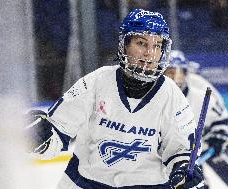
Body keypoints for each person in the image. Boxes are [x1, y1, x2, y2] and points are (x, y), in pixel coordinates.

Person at [26, 9, 205, 189]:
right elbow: (57, 133)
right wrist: (41, 138)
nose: (150, 53)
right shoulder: (97, 82)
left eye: (157, 45)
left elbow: (181, 150)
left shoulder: (171, 95)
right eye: (141, 43)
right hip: (86, 183)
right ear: (124, 44)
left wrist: (183, 170)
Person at [164, 50, 228, 189]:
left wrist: (218, 135)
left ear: (185, 72)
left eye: (177, 72)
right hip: (184, 155)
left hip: (208, 142)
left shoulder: (197, 88)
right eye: (169, 72)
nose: (174, 77)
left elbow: (218, 109)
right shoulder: (159, 98)